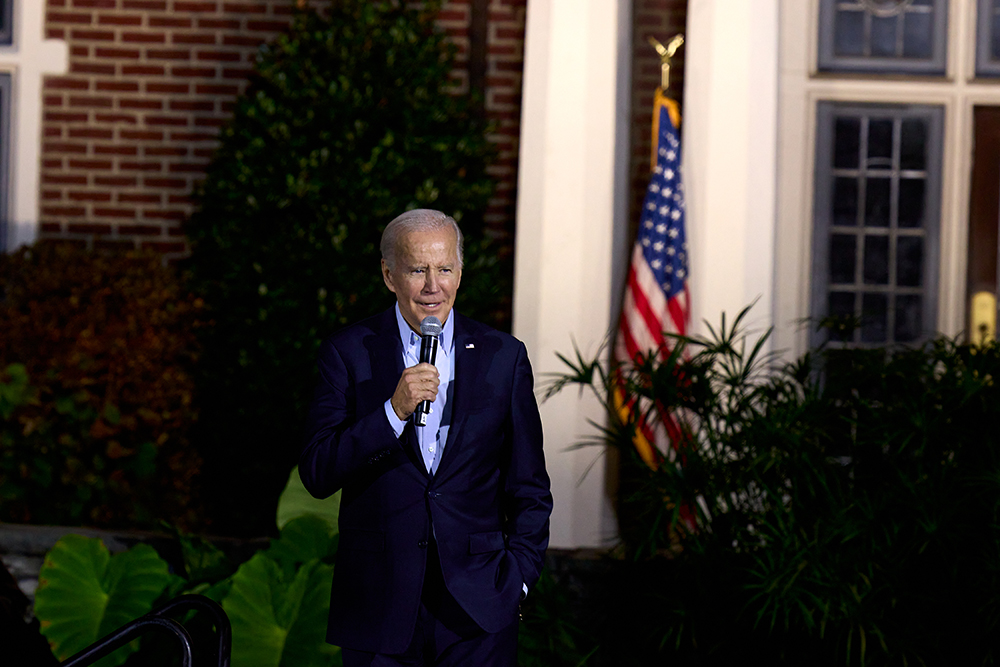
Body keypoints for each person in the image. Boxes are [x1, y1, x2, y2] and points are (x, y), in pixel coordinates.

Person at [299, 209, 552, 667]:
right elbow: (318, 471)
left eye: (445, 269)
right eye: (418, 269)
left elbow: (530, 486)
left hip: (478, 608)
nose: (433, 286)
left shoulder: (504, 356)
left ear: (460, 273)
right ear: (389, 274)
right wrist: (392, 412)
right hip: (379, 606)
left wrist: (518, 578)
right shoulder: (347, 352)